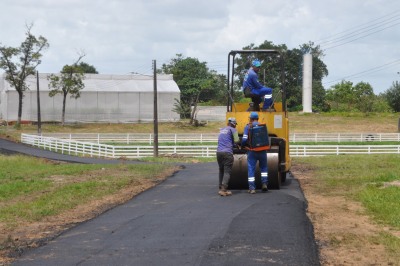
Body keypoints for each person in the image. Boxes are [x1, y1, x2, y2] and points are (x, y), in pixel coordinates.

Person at [241, 112, 268, 194]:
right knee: (264, 168)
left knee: (251, 169)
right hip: (263, 150)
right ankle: (264, 184)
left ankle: (252, 188)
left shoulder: (248, 126)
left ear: (251, 119)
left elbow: (245, 139)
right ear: (257, 118)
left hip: (252, 151)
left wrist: (242, 145)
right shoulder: (262, 126)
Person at [216, 117, 240, 196]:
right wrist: (238, 144)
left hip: (219, 152)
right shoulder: (233, 130)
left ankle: (220, 187)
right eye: (235, 124)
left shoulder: (222, 130)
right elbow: (237, 140)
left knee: (221, 170)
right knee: (227, 171)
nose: (235, 126)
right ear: (233, 124)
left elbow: (225, 140)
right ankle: (224, 190)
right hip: (227, 153)